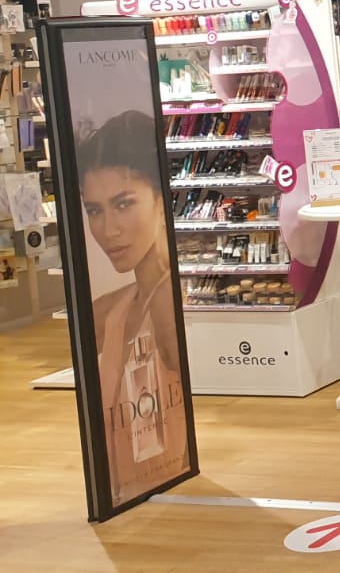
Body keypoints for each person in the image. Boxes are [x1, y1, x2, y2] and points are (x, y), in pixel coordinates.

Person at [81, 110, 190, 505]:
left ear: (160, 202)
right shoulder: (110, 311)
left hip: (166, 504)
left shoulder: (165, 303)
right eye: (94, 211)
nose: (108, 230)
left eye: (124, 204)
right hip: (127, 506)